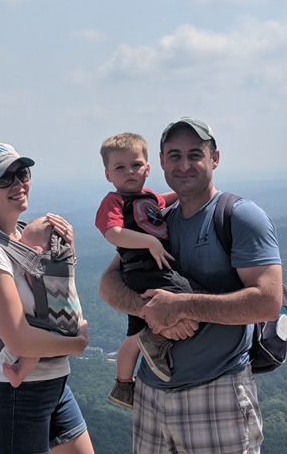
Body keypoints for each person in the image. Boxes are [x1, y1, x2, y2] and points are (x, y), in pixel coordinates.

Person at [99, 118, 283, 454]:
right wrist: (153, 311)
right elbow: (109, 284)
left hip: (217, 392)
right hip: (151, 394)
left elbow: (267, 302)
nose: (184, 165)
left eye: (195, 154)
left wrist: (183, 306)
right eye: (175, 155)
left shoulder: (239, 216)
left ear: (214, 159)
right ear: (162, 162)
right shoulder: (157, 217)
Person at [0, 143, 94, 454]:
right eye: (3, 179)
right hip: (16, 395)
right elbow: (18, 339)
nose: (18, 184)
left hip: (53, 384)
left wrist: (67, 251)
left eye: (21, 173)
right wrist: (77, 344)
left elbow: (56, 296)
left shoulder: (23, 235)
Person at [96, 132, 201, 410]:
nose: (130, 172)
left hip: (145, 271)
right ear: (108, 174)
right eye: (120, 167)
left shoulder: (150, 197)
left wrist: (190, 189)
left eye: (136, 165)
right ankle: (156, 338)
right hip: (146, 270)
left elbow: (169, 198)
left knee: (134, 332)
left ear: (148, 168)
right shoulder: (114, 201)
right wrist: (150, 242)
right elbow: (113, 233)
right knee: (190, 298)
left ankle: (123, 384)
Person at [0, 216, 82, 388]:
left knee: (33, 345)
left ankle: (19, 373)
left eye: (23, 244)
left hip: (54, 326)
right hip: (75, 321)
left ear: (36, 250)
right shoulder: (64, 259)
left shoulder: (39, 263)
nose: (20, 244)